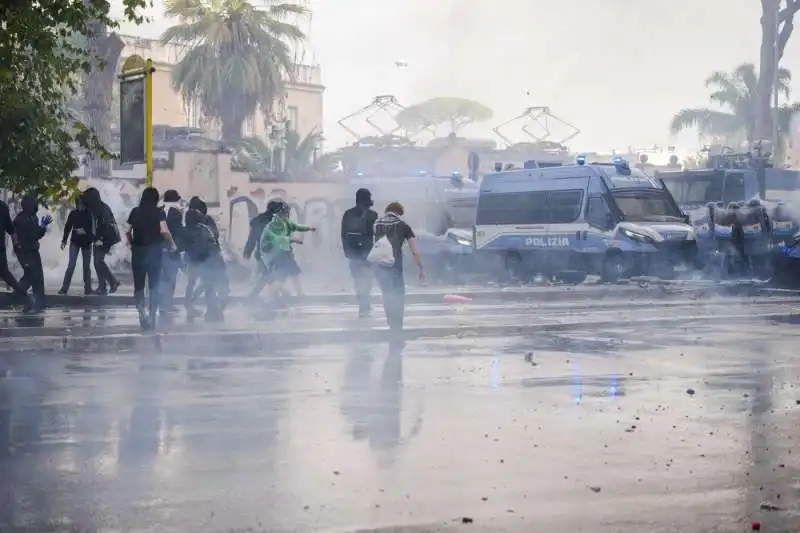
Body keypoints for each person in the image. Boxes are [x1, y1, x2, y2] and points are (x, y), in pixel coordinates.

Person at [126, 187, 175, 330]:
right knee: (154, 286)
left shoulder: (135, 211)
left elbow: (127, 231)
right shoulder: (159, 212)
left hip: (138, 252)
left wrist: (133, 244)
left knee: (139, 286)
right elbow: (164, 231)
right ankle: (152, 315)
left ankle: (141, 313)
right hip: (154, 253)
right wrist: (172, 244)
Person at [372, 202, 424, 331]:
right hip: (395, 266)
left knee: (386, 293)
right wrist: (421, 268)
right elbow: (415, 250)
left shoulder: (376, 224)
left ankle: (390, 321)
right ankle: (397, 323)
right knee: (398, 294)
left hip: (379, 266)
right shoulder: (403, 226)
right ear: (399, 213)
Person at [258, 200, 315, 308]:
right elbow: (277, 239)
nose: (286, 215)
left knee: (293, 273)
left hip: (284, 253)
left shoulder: (284, 222)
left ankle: (298, 293)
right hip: (279, 255)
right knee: (280, 278)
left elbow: (296, 226)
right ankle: (268, 298)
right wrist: (293, 240)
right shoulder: (274, 224)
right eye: (284, 212)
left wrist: (309, 228)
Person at [183, 198, 225, 322]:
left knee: (193, 282)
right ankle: (210, 309)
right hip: (206, 257)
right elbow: (215, 235)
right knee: (207, 283)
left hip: (193, 257)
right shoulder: (205, 220)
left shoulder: (189, 219)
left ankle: (190, 304)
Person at [341, 188, 378, 317]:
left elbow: (343, 235)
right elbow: (376, 235)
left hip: (354, 253)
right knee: (366, 280)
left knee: (358, 280)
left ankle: (363, 303)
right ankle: (364, 304)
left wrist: (347, 251)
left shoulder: (348, 213)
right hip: (367, 253)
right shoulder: (373, 215)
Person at [13, 196, 52, 313]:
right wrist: (42, 227)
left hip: (32, 250)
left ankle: (37, 302)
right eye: (34, 204)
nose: (36, 207)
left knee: (36, 276)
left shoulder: (31, 217)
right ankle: (24, 298)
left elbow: (36, 235)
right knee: (32, 276)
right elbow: (32, 235)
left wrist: (42, 228)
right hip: (25, 251)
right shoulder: (22, 219)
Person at [83, 187, 121, 295]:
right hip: (99, 239)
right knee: (97, 262)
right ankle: (103, 287)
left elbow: (107, 226)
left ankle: (112, 282)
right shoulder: (96, 208)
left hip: (105, 239)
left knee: (98, 261)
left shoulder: (102, 209)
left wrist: (101, 239)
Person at [245, 199, 281, 299]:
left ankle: (275, 297)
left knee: (269, 276)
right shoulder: (275, 221)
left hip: (261, 254)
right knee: (269, 276)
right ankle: (253, 296)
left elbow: (252, 238)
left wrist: (247, 252)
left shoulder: (258, 221)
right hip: (271, 254)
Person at [58, 198, 94, 295]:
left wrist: (86, 233)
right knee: (71, 265)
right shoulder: (73, 213)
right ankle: (64, 288)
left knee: (86, 266)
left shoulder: (90, 214)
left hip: (87, 242)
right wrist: (64, 240)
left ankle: (88, 288)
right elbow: (68, 227)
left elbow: (94, 229)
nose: (80, 206)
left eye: (82, 204)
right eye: (78, 204)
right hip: (75, 242)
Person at [160, 189, 184, 315]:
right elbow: (177, 231)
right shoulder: (176, 212)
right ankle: (168, 304)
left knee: (163, 277)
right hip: (172, 249)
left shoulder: (160, 210)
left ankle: (162, 304)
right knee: (171, 277)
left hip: (159, 248)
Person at [0, 199, 26, 301]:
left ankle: (24, 297)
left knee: (5, 273)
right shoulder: (3, 206)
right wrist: (16, 244)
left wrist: (16, 245)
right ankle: (25, 298)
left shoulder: (3, 207)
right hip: (0, 248)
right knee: (5, 273)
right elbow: (11, 229)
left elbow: (11, 229)